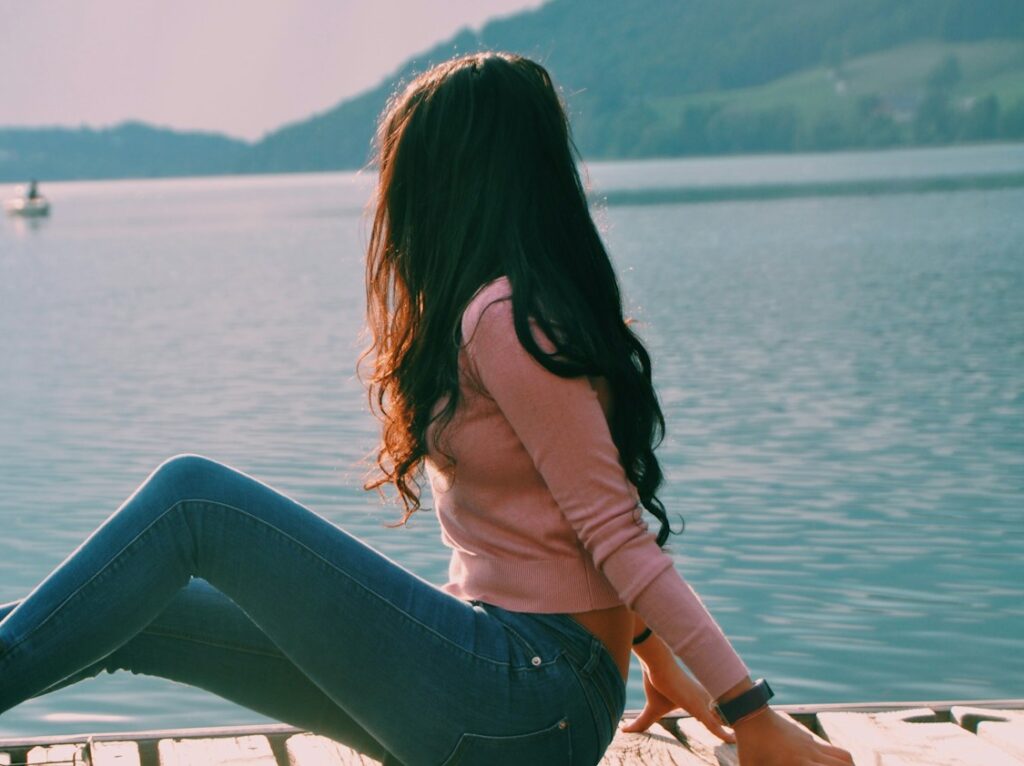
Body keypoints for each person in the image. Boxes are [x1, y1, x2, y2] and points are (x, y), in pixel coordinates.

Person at [0, 53, 854, 766]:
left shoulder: (504, 321)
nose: (392, 196)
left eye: (406, 168)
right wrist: (658, 661)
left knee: (193, 500)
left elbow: (614, 529)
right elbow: (562, 520)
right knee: (128, 607)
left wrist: (749, 710)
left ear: (455, 178)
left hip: (530, 704)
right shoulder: (504, 314)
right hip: (515, 688)